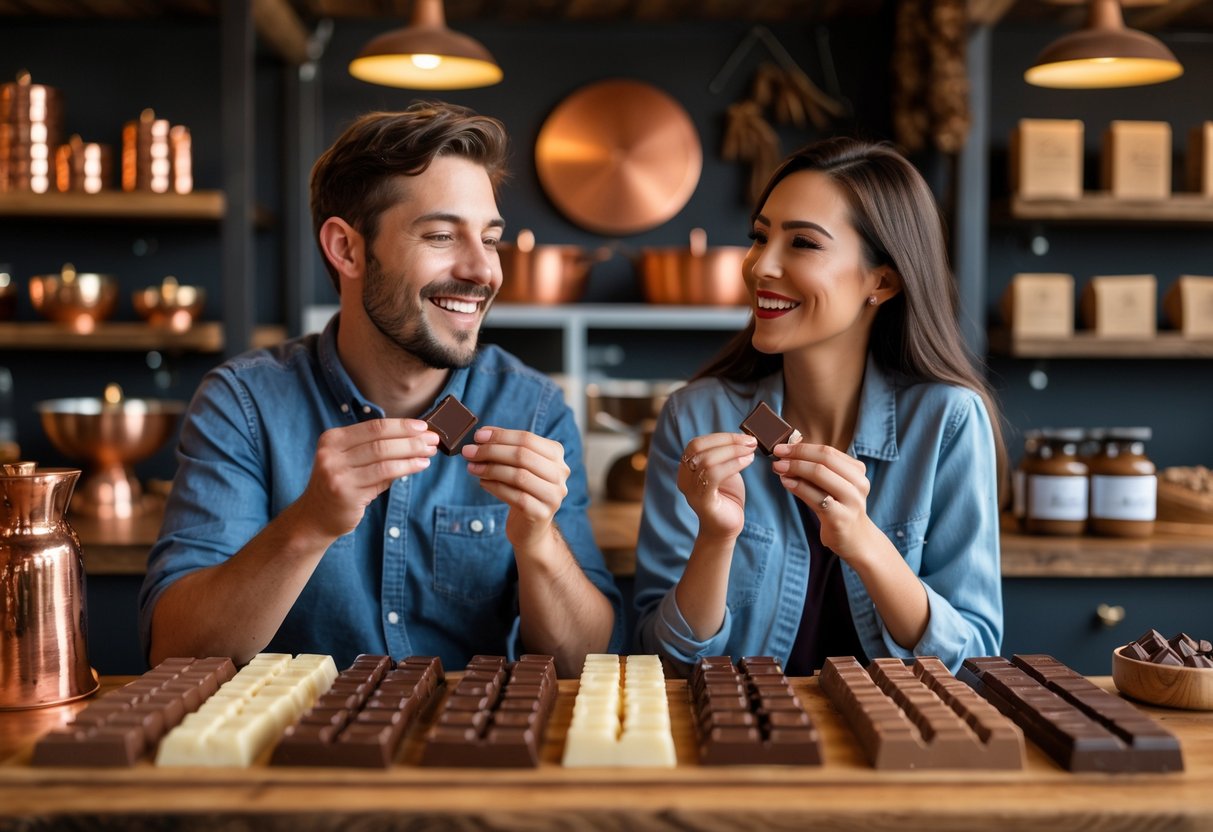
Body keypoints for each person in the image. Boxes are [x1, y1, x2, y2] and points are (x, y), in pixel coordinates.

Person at [140, 102, 622, 677]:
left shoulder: (533, 407)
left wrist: (539, 541)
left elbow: (585, 663)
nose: (483, 270)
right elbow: (172, 651)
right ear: (347, 249)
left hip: (474, 748)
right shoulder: (243, 405)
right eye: (442, 235)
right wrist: (310, 523)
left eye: (490, 240)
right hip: (290, 751)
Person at [634, 137, 1005, 677]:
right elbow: (659, 660)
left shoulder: (947, 420)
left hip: (899, 750)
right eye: (760, 238)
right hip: (742, 749)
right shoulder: (696, 417)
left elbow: (975, 662)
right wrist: (716, 539)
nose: (762, 266)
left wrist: (864, 544)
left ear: (881, 280)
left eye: (803, 243)